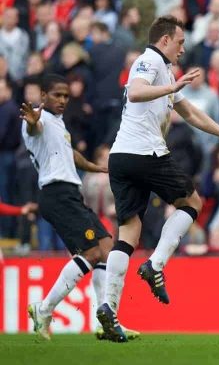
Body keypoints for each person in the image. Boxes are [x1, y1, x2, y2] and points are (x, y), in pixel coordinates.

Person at [98, 16, 219, 343]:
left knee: (129, 231)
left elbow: (190, 113)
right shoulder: (149, 61)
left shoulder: (164, 70)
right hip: (144, 152)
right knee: (192, 201)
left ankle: (109, 308)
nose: (182, 48)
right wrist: (172, 87)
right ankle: (156, 264)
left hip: (121, 157)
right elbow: (136, 92)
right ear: (165, 40)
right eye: (179, 42)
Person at [21, 74, 138, 341]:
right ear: (42, 95)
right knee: (93, 251)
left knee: (107, 247)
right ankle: (44, 309)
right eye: (56, 95)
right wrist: (32, 123)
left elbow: (69, 153)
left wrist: (95, 166)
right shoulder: (37, 119)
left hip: (69, 192)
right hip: (56, 192)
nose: (62, 100)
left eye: (65, 96)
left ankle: (103, 319)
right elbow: (33, 130)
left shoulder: (58, 124)